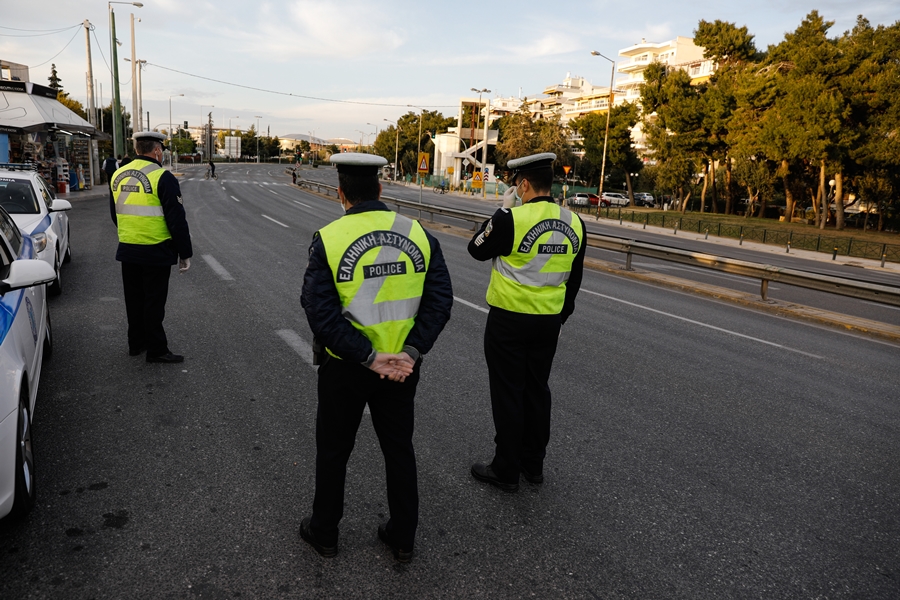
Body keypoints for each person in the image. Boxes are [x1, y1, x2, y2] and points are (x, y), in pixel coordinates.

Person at [299, 153, 452, 563]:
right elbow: (439, 301)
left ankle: (325, 532)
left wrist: (367, 355)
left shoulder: (329, 237)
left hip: (347, 368)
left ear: (340, 193)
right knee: (399, 449)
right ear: (381, 190)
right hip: (402, 367)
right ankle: (403, 537)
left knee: (334, 450)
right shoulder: (418, 233)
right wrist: (411, 350)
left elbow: (319, 312)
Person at [467, 152, 586, 492]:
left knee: (508, 392)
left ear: (523, 184)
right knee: (537, 390)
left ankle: (505, 468)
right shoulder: (575, 222)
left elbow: (476, 249)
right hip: (548, 322)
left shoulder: (512, 220)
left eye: (514, 184)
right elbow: (574, 278)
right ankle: (533, 464)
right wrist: (561, 314)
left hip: (509, 319)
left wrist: (502, 211)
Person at [109, 131, 192, 363]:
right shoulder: (162, 177)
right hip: (156, 249)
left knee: (134, 301)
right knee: (153, 302)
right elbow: (176, 220)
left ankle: (136, 344)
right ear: (157, 150)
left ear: (136, 150)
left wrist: (131, 230)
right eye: (162, 150)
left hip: (128, 248)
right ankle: (156, 349)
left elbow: (115, 214)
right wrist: (185, 253)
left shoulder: (118, 175)